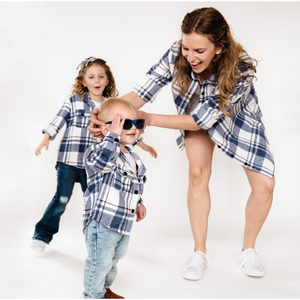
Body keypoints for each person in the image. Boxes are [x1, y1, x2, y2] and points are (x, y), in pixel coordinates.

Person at [88, 7, 275, 280]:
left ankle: (248, 250)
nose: (190, 56)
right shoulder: (179, 53)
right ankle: (199, 252)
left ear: (219, 47)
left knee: (266, 186)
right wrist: (104, 113)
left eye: (199, 51)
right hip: (192, 115)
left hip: (237, 119)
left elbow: (203, 119)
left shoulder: (240, 69)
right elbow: (142, 92)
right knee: (197, 172)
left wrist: (149, 119)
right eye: (187, 48)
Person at [31, 57, 154, 253]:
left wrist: (142, 143)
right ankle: (42, 235)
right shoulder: (74, 102)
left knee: (99, 203)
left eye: (101, 77)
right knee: (61, 199)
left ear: (107, 80)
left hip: (96, 167)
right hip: (69, 162)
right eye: (91, 77)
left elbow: (123, 129)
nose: (96, 81)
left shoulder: (111, 106)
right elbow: (58, 120)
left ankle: (97, 240)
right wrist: (46, 137)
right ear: (83, 81)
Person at [83, 98, 147, 299]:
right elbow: (102, 163)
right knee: (99, 262)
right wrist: (112, 137)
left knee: (113, 261)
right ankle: (92, 295)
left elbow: (135, 184)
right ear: (105, 130)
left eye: (137, 123)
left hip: (123, 224)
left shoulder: (133, 158)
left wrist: (139, 203)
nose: (133, 128)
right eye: (124, 123)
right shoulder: (97, 152)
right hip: (101, 223)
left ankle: (104, 290)